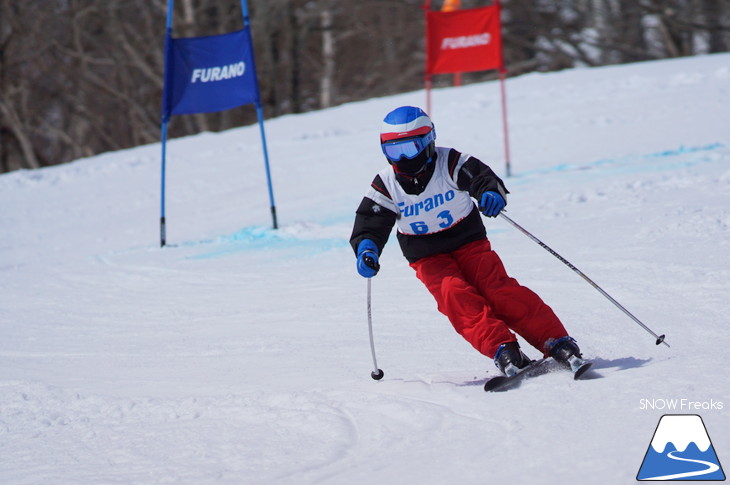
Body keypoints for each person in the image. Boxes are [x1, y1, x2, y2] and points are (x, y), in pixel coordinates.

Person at [349, 106, 584, 377]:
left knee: (497, 290)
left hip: (467, 241)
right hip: (426, 255)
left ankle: (555, 339)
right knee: (454, 295)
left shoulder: (450, 162)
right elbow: (370, 221)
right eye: (393, 151)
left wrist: (491, 194)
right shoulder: (386, 183)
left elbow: (483, 179)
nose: (402, 158)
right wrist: (367, 247)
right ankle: (503, 349)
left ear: (428, 142)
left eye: (410, 148)